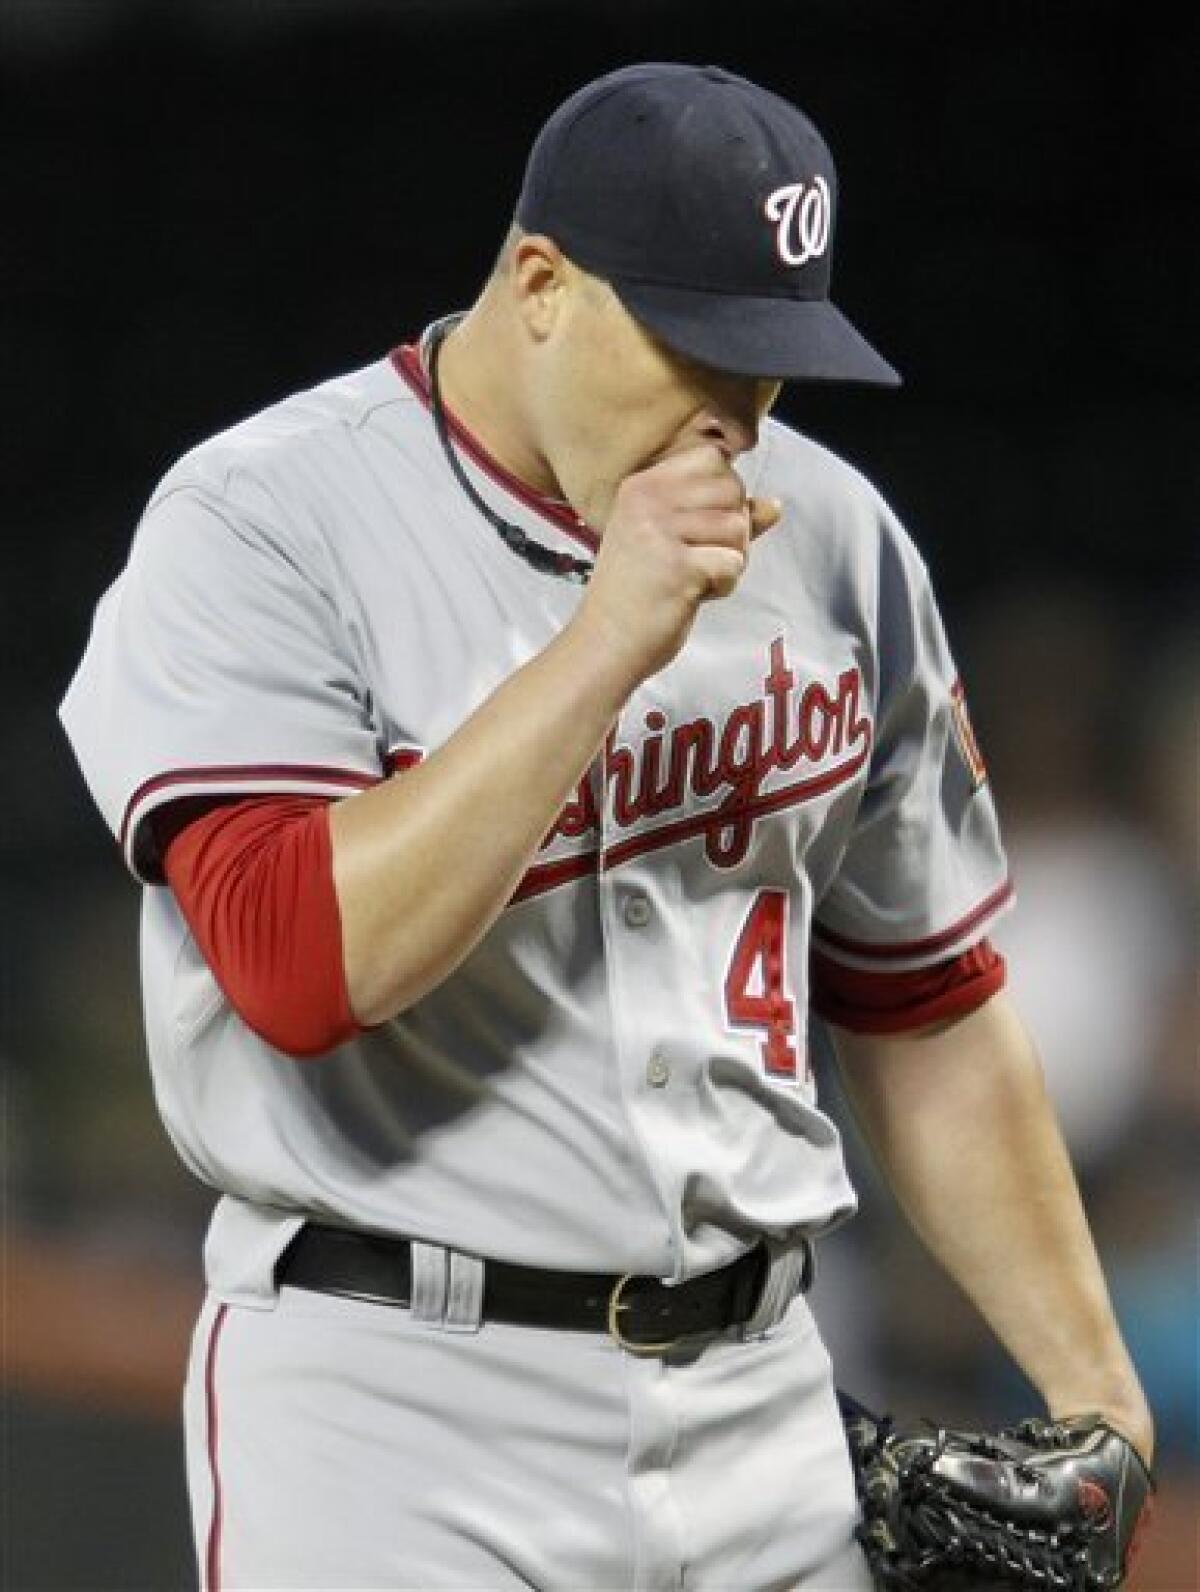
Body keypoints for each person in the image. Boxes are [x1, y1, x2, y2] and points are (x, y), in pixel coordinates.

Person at [60, 62, 1152, 1591]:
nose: (733, 414)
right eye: (694, 346)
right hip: (394, 1408)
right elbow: (299, 962)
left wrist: (1098, 1395)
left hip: (767, 1393)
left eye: (769, 364)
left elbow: (929, 1003)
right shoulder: (260, 520)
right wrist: (604, 640)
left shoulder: (834, 536)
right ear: (540, 284)